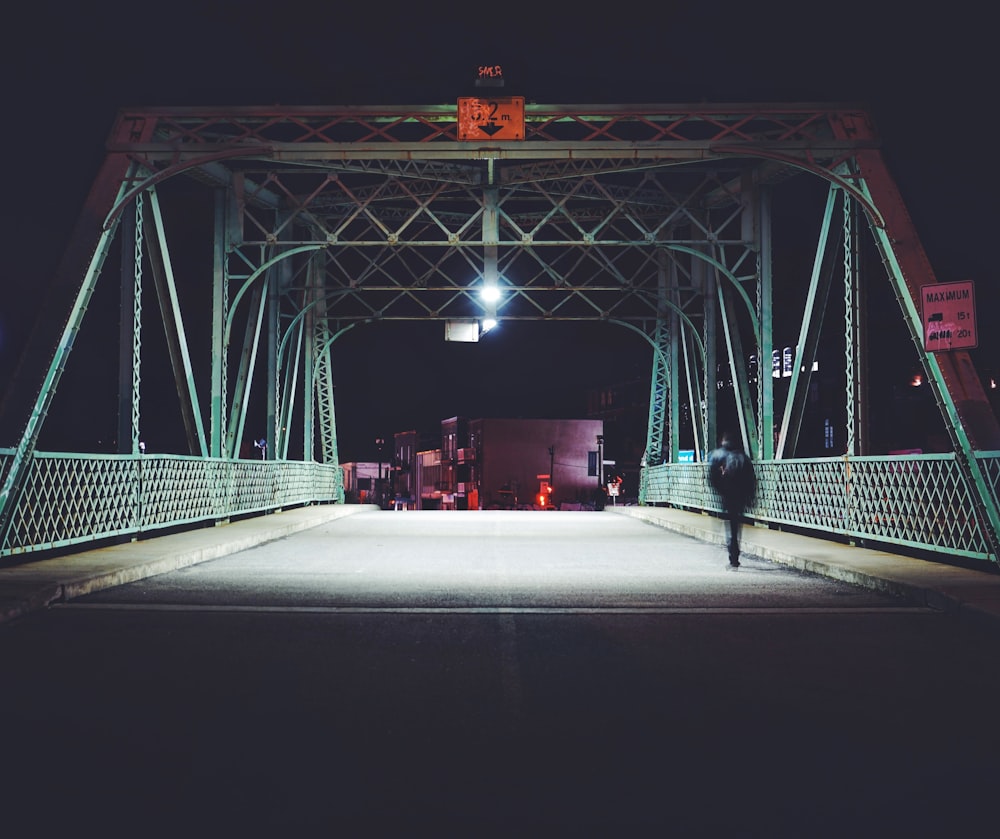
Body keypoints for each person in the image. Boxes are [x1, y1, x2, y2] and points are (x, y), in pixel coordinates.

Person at [708, 431, 756, 569]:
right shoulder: (743, 457)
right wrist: (750, 497)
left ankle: (733, 557)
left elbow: (712, 478)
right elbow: (751, 479)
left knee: (731, 528)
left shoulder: (717, 455)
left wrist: (720, 492)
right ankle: (735, 555)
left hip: (727, 497)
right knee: (736, 526)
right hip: (740, 497)